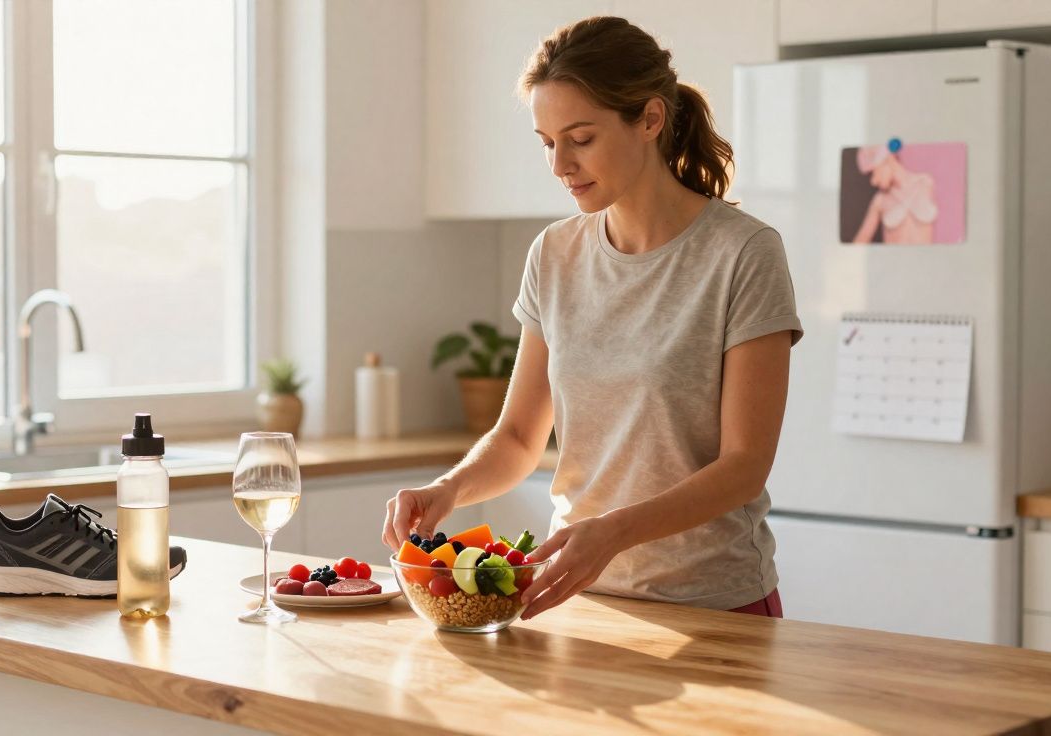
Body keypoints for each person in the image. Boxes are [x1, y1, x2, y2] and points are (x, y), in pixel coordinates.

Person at [381, 16, 803, 621]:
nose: (559, 163)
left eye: (580, 138)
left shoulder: (742, 253)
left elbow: (743, 467)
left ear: (650, 120)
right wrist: (446, 491)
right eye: (547, 141)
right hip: (577, 599)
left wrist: (612, 532)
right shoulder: (554, 254)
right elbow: (521, 437)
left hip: (714, 605)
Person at [852, 143, 938, 244]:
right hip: (895, 259)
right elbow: (859, 242)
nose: (873, 182)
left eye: (872, 173)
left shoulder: (926, 183)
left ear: (886, 160)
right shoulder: (880, 200)